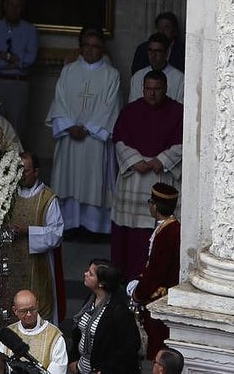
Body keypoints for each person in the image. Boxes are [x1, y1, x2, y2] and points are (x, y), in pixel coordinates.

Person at [46, 27, 122, 234]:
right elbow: (59, 101)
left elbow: (111, 107)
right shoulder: (69, 70)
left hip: (94, 140)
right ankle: (69, 225)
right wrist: (69, 126)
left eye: (95, 46)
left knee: (94, 181)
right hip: (70, 138)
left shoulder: (111, 75)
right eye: (86, 45)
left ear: (103, 49)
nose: (90, 50)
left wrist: (88, 128)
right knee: (68, 179)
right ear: (80, 48)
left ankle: (95, 227)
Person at [110, 70, 183, 280]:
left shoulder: (178, 112)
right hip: (135, 178)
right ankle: (128, 276)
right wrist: (135, 161)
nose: (152, 94)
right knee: (132, 233)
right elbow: (119, 140)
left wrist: (162, 159)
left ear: (165, 89)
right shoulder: (130, 111)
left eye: (157, 89)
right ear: (142, 89)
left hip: (162, 177)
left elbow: (183, 142)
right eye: (148, 89)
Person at [7, 152, 65, 323]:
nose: (21, 175)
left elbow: (56, 234)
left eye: (25, 171)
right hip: (11, 263)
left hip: (39, 265)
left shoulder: (48, 198)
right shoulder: (8, 195)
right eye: (18, 171)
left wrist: (29, 231)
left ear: (36, 172)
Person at [128, 184, 181, 361]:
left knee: (158, 348)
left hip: (159, 296)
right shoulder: (167, 227)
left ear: (155, 206)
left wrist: (138, 293)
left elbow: (157, 270)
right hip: (159, 291)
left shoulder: (168, 232)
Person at [67, 260, 140, 374]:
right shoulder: (90, 300)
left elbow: (129, 347)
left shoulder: (119, 311)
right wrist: (73, 360)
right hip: (81, 368)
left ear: (101, 283)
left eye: (91, 274)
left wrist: (104, 370)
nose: (85, 274)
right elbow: (79, 332)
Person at [0, 0, 39, 139]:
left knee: (16, 129)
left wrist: (7, 57)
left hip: (19, 85)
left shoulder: (30, 31)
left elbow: (30, 59)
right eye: (11, 4)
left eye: (18, 6)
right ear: (5, 6)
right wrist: (17, 62)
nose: (14, 9)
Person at [0, 289, 67, 374]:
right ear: (15, 311)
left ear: (37, 305)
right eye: (24, 311)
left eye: (32, 309)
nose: (29, 314)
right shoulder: (7, 335)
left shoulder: (54, 337)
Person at [127, 33, 184, 102]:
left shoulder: (180, 79)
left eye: (158, 51)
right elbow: (133, 107)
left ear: (167, 53)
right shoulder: (137, 77)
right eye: (150, 50)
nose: (153, 55)